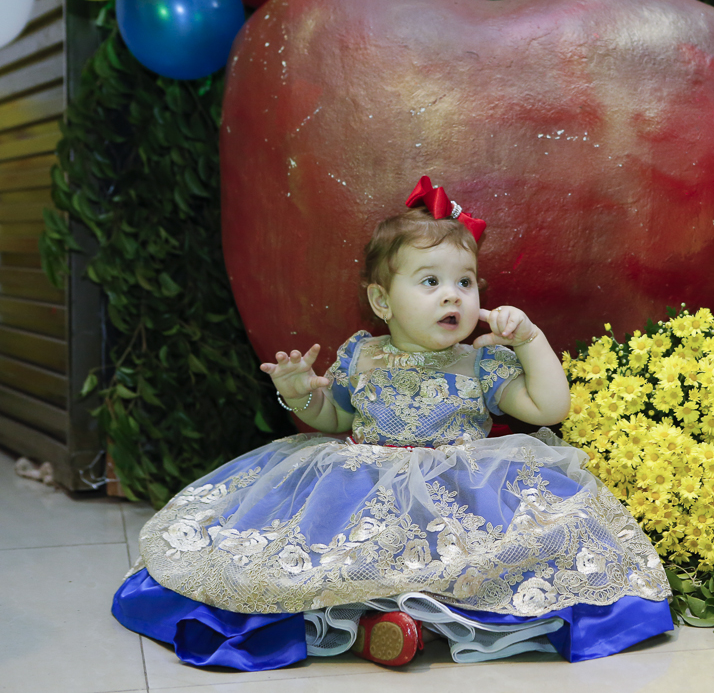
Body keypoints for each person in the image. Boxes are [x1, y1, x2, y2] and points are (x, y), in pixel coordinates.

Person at [112, 177, 673, 670]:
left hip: (461, 491)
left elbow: (549, 410)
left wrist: (530, 340)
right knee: (329, 560)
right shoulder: (362, 354)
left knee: (477, 564)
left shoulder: (481, 361)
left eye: (466, 282)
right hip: (365, 485)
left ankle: (412, 627)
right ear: (382, 300)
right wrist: (301, 396)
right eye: (429, 282)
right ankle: (364, 629)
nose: (452, 294)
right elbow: (333, 418)